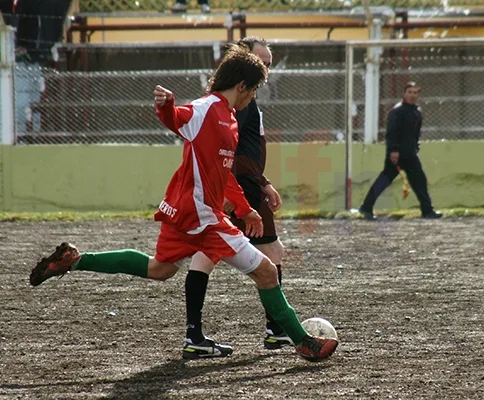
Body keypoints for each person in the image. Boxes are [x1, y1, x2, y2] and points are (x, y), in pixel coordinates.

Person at [29, 45, 338, 362]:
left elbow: (222, 173)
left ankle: (76, 260)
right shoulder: (207, 109)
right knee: (268, 272)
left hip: (185, 212)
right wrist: (167, 105)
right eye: (255, 88)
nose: (254, 95)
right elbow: (179, 117)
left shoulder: (229, 119)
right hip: (202, 216)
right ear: (242, 86)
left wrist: (244, 209)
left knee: (159, 268)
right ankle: (303, 342)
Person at [226, 37, 291, 350]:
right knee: (273, 253)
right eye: (262, 63)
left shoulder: (247, 99)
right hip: (245, 186)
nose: (267, 69)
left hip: (244, 184)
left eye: (269, 64)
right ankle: (276, 328)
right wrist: (262, 182)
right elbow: (234, 152)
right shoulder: (240, 102)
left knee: (193, 259)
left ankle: (193, 333)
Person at [358, 82, 442, 220]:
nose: (413, 95)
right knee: (384, 181)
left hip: (410, 154)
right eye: (410, 92)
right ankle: (366, 207)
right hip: (396, 155)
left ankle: (427, 210)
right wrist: (393, 150)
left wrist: (415, 147)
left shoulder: (417, 112)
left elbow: (415, 133)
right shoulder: (397, 111)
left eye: (415, 93)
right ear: (404, 94)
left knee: (420, 181)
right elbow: (391, 133)